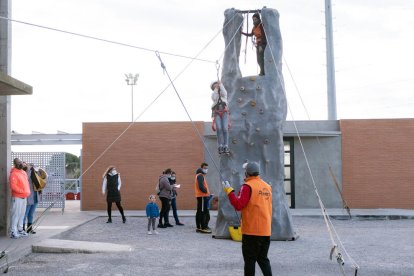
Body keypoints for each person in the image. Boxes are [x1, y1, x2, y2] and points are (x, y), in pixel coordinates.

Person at [222, 162, 273, 276]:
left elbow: (239, 205)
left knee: (250, 261)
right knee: (263, 259)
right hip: (265, 230)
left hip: (251, 231)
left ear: (247, 173)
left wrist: (229, 191)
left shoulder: (247, 186)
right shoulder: (267, 186)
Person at [9, 158, 31, 239]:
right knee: (16, 215)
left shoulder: (23, 173)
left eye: (21, 162)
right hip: (17, 197)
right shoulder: (13, 173)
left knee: (22, 214)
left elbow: (26, 184)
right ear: (15, 164)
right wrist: (22, 191)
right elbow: (13, 186)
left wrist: (27, 191)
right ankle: (13, 232)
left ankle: (20, 230)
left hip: (24, 197)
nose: (20, 163)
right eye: (18, 162)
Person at [23, 163, 45, 234]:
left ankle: (29, 228)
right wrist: (29, 170)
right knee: (25, 213)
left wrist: (40, 169)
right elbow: (26, 178)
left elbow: (44, 177)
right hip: (29, 196)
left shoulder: (36, 172)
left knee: (31, 214)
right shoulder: (25, 173)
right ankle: (22, 229)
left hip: (36, 196)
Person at [211, 81, 230, 154]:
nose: (217, 85)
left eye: (217, 84)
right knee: (219, 128)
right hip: (217, 112)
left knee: (225, 129)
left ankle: (226, 145)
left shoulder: (223, 94)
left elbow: (225, 93)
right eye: (215, 85)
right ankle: (220, 145)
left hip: (224, 111)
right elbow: (214, 98)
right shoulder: (214, 94)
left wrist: (221, 85)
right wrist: (216, 89)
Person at [194, 162, 211, 233]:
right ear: (201, 168)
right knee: (202, 212)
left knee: (200, 211)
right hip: (202, 196)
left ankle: (199, 226)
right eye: (204, 168)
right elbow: (201, 186)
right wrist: (206, 191)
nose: (206, 169)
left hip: (201, 196)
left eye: (207, 168)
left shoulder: (199, 175)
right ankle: (202, 227)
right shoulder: (200, 176)